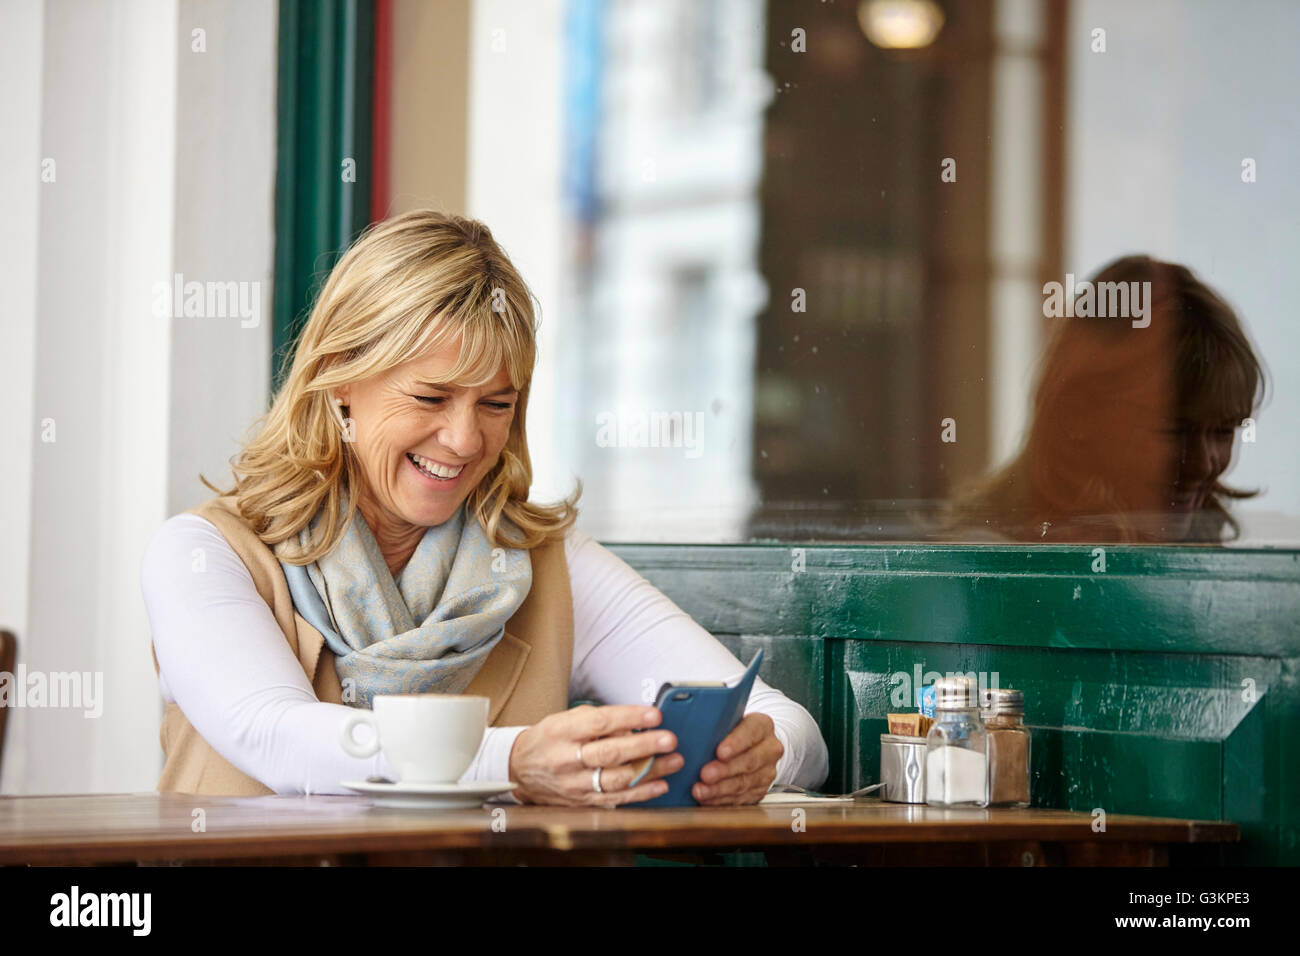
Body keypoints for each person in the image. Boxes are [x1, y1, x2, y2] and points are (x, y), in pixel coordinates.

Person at [141, 210, 828, 806]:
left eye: (496, 404)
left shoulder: (546, 566)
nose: (466, 440)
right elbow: (276, 736)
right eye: (432, 398)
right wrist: (514, 762)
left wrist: (761, 754)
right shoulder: (203, 555)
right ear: (341, 381)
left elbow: (791, 729)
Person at [947, 255, 1266, 543]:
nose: (1204, 463)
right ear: (1078, 417)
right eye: (1175, 431)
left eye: (1224, 431)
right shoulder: (983, 567)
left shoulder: (1190, 558)